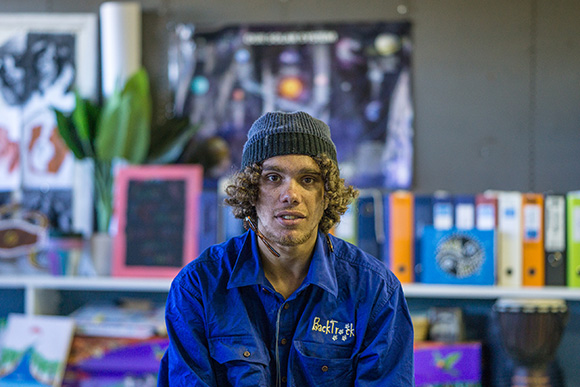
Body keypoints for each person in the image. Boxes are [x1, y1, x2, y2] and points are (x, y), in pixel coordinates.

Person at [158, 111, 414, 386]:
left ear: (326, 194)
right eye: (272, 178)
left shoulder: (375, 290)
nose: (290, 194)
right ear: (250, 190)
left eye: (308, 179)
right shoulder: (198, 286)